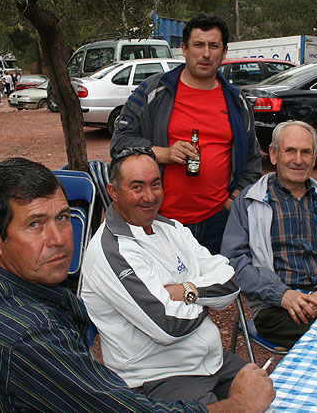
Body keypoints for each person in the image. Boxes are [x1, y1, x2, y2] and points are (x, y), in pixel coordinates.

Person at [0, 157, 274, 412]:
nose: (58, 239)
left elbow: (226, 278)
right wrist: (238, 407)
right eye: (35, 224)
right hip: (155, 379)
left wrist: (184, 294)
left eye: (62, 217)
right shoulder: (29, 336)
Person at [81, 147, 274, 410]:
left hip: (211, 360)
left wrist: (184, 291)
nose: (149, 196)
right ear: (113, 192)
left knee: (271, 396)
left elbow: (230, 280)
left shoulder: (171, 229)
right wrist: (208, 298)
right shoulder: (112, 251)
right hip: (160, 376)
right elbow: (168, 325)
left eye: (155, 184)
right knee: (249, 404)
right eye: (137, 187)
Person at [110, 14, 263, 255]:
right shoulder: (153, 91)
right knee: (165, 290)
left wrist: (233, 200)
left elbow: (252, 160)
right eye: (198, 45)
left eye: (214, 46)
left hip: (217, 221)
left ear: (224, 53)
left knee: (212, 288)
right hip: (158, 219)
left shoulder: (237, 101)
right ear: (184, 49)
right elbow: (119, 144)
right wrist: (163, 153)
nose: (205, 53)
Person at [221, 121, 317, 349]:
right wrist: (282, 294)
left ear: (315, 156)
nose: (298, 160)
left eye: (306, 152)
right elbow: (233, 263)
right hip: (275, 307)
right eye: (290, 150)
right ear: (273, 154)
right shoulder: (250, 201)